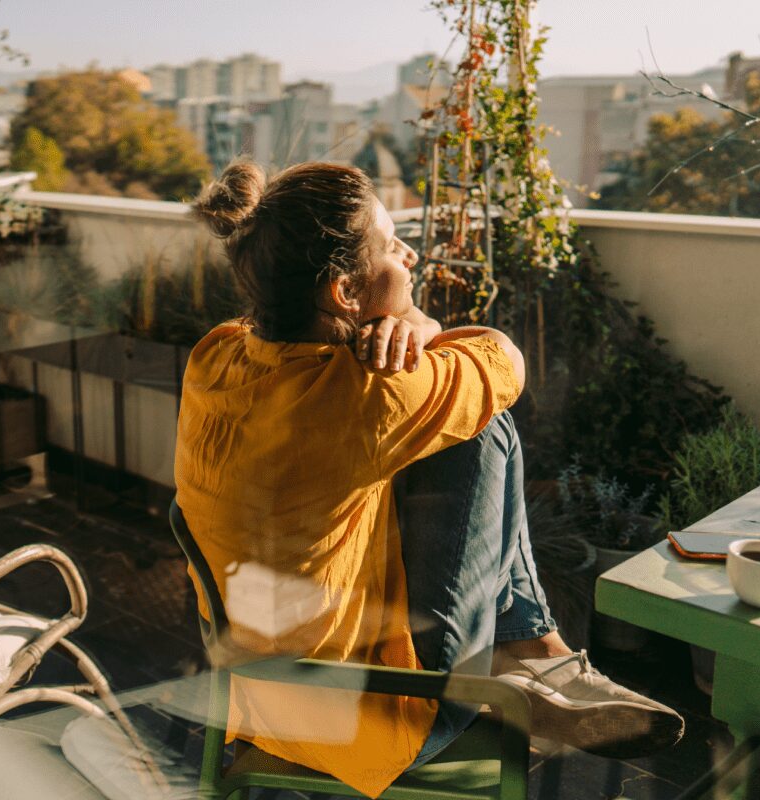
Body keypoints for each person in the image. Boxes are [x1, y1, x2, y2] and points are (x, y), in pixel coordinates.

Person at [173, 160, 683, 797]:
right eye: (391, 245)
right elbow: (505, 364)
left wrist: (410, 326)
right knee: (483, 427)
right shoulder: (367, 397)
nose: (410, 254)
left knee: (446, 426)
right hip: (371, 717)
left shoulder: (216, 354)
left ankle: (532, 658)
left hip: (253, 697)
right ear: (344, 293)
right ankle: (530, 656)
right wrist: (422, 329)